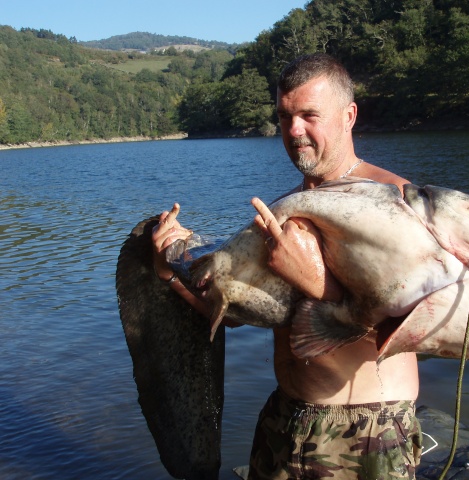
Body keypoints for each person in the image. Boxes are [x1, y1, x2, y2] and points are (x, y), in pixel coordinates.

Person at [151, 53, 422, 479]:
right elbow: (236, 311)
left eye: (309, 115)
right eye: (284, 116)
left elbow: (420, 327)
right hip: (285, 418)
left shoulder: (394, 203)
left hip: (364, 430)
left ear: (349, 115)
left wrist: (314, 282)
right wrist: (170, 268)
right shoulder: (287, 209)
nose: (294, 131)